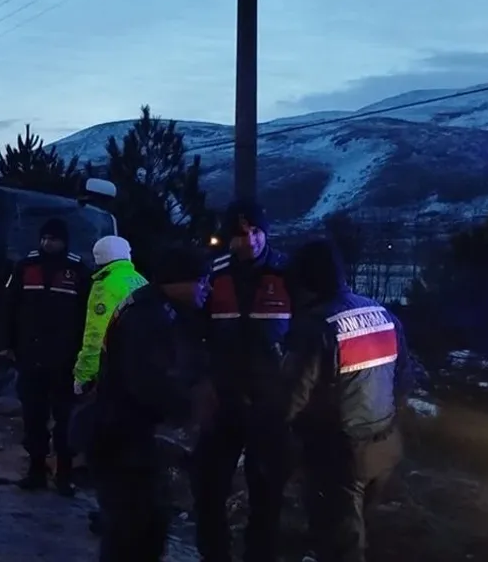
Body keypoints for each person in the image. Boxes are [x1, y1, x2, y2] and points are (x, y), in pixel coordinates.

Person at [280, 239, 413, 562]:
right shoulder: (383, 315)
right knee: (359, 530)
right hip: (384, 447)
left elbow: (289, 398)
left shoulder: (316, 327)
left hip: (339, 457)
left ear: (305, 283)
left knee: (341, 545)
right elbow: (404, 381)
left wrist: (272, 435)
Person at [88, 245, 212, 562]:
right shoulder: (150, 318)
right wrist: (191, 409)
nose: (206, 288)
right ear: (178, 281)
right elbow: (149, 383)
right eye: (201, 280)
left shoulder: (155, 308)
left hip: (132, 443)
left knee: (143, 532)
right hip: (127, 445)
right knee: (132, 537)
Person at [192, 200, 294, 562]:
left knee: (266, 495)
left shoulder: (288, 274)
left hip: (271, 406)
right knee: (207, 487)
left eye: (255, 231)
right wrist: (203, 381)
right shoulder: (214, 274)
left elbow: (308, 336)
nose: (249, 241)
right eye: (240, 235)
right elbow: (195, 333)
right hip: (224, 401)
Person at [0, 218, 91, 496]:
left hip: (65, 359)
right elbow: (8, 307)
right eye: (45, 238)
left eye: (53, 239)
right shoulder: (25, 267)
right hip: (30, 355)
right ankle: (36, 470)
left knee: (65, 419)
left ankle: (64, 474)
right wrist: (5, 343)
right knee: (33, 417)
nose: (48, 243)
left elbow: (88, 316)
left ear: (64, 241)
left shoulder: (77, 270)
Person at [74, 235, 148, 392]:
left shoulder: (105, 284)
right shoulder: (140, 279)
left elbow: (96, 334)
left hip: (116, 367)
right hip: (143, 364)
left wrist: (84, 374)